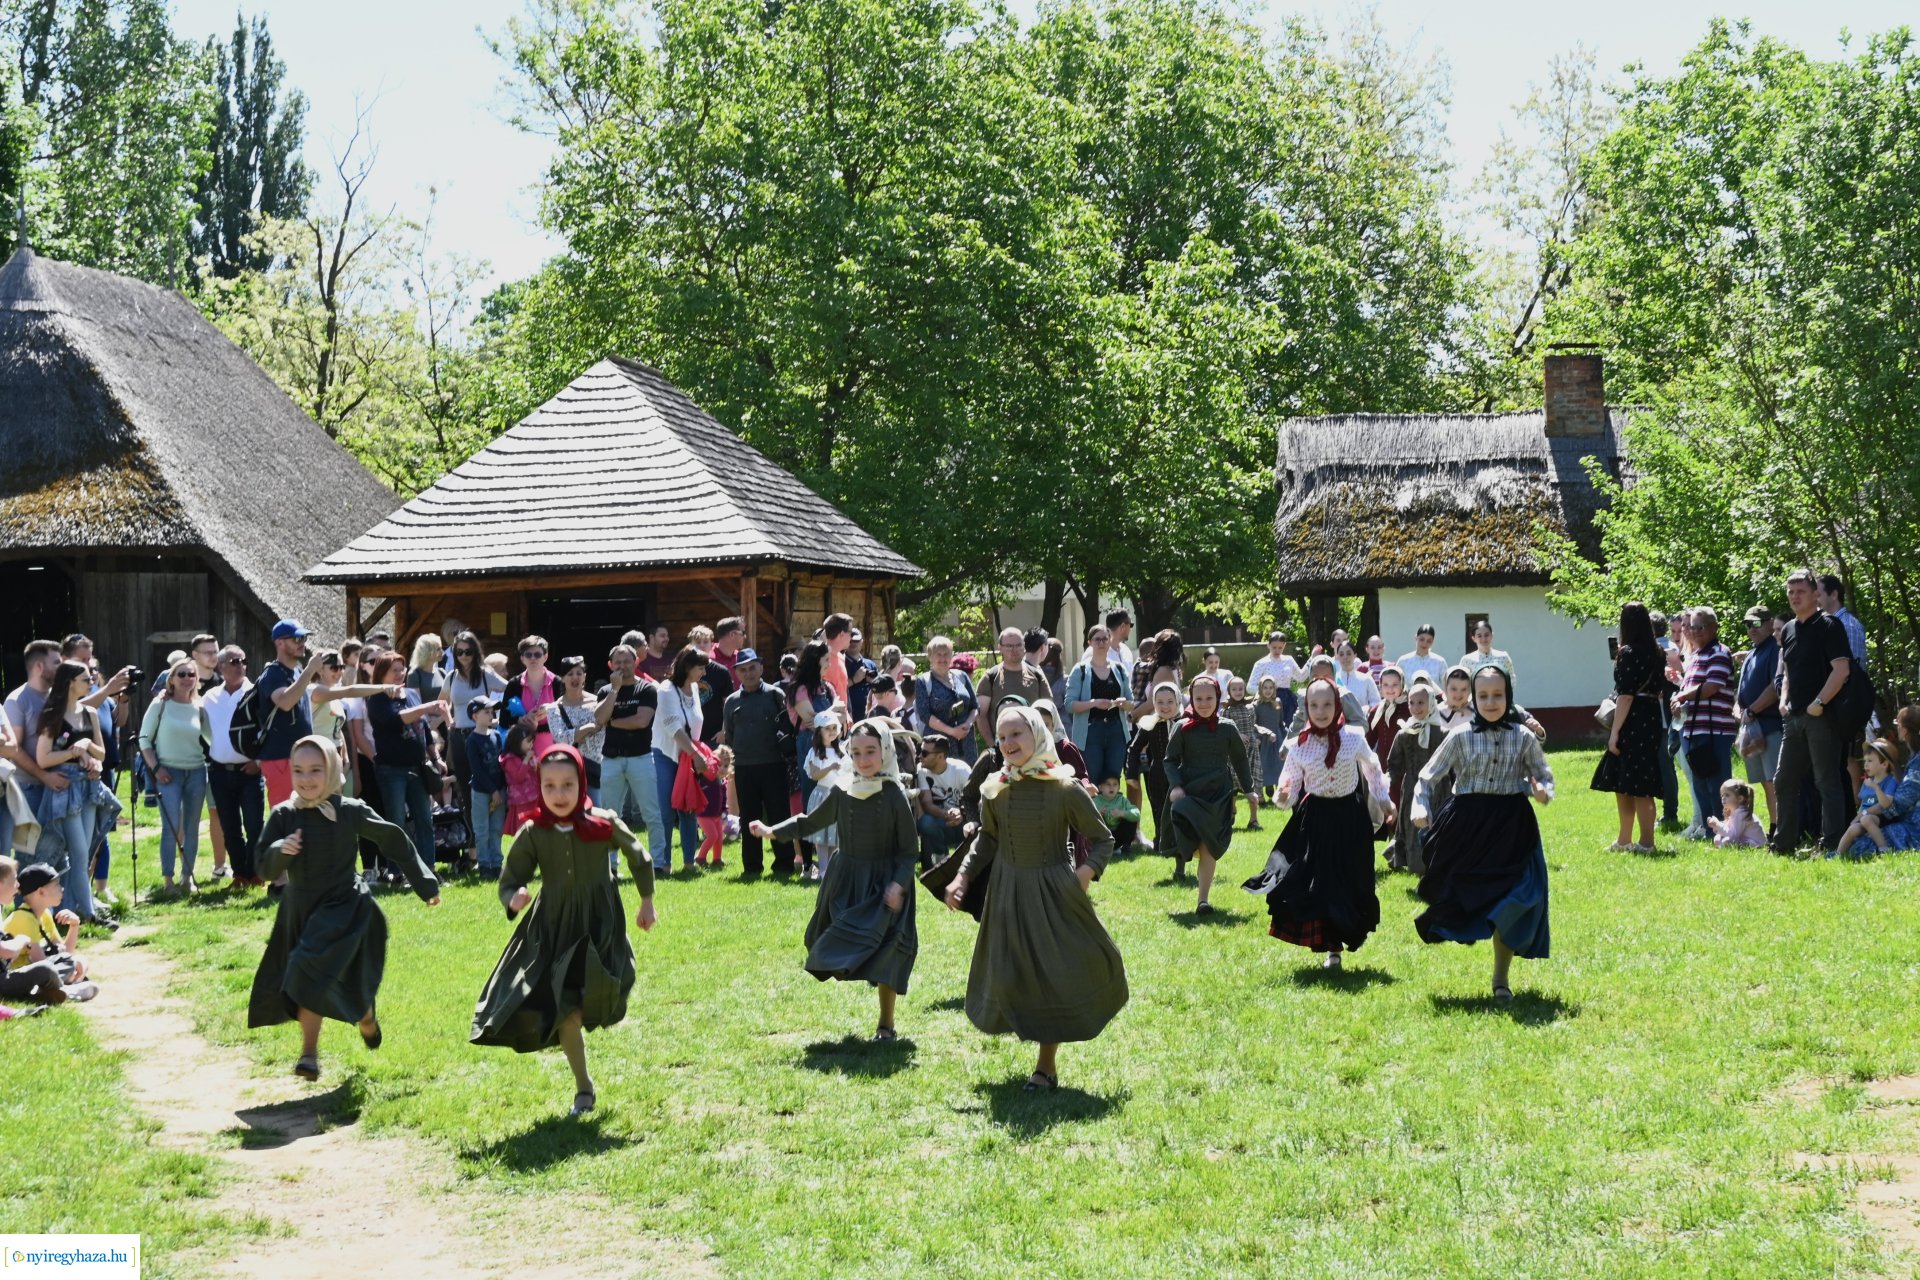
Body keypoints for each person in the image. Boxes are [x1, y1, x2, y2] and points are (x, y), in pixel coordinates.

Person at [944, 705, 1127, 1092]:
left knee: (1051, 974)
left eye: (1017, 734)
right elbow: (988, 839)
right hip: (1007, 892)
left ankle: (1045, 1066)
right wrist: (962, 876)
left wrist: (1082, 876)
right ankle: (1024, 1026)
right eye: (1002, 737)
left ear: (1038, 736)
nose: (1009, 743)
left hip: (1053, 893)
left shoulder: (1064, 787)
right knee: (1011, 970)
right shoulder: (996, 787)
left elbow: (1103, 839)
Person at [471, 746, 658, 1116]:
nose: (559, 794)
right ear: (539, 787)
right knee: (565, 1011)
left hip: (599, 925)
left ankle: (595, 1005)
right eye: (550, 785)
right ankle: (584, 1089)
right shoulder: (533, 832)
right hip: (554, 930)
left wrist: (647, 901)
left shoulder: (603, 821)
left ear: (582, 783)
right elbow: (510, 880)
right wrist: (513, 897)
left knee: (613, 984)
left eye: (568, 784)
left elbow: (639, 856)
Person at [251, 737, 440, 1081]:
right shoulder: (284, 815)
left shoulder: (349, 810)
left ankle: (365, 1016)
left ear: (333, 769)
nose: (306, 779)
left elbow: (392, 838)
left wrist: (424, 883)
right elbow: (263, 867)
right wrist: (281, 850)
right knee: (308, 974)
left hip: (344, 907)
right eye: (298, 771)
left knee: (324, 971)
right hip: (301, 909)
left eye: (315, 770)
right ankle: (309, 1054)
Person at [753, 720, 918, 1040]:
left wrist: (898, 884)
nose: (863, 759)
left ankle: (886, 1025)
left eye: (870, 751)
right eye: (856, 752)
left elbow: (909, 851)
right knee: (837, 941)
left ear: (885, 751)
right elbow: (809, 822)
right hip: (848, 880)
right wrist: (772, 831)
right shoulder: (843, 791)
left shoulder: (894, 794)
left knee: (889, 952)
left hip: (887, 886)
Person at [1411, 666, 1555, 1002]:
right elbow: (1427, 777)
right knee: (1468, 898)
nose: (1491, 702)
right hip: (1468, 827)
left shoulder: (1524, 737)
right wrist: (1420, 806)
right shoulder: (1460, 736)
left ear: (1509, 697)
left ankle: (1501, 979)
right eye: (1484, 695)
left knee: (1515, 900)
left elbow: (1544, 775)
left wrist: (1542, 790)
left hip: (1513, 827)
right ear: (1473, 699)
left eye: (1498, 695)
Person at [1243, 678, 1390, 968]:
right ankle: (1331, 948)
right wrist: (1283, 795)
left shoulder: (1353, 737)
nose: (1321, 711)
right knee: (1320, 881)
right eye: (1314, 705)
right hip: (1316, 820)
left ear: (1337, 705)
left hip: (1350, 818)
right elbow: (1289, 783)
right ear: (1306, 708)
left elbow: (1372, 767)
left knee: (1350, 879)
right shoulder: (1300, 744)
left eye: (1327, 704)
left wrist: (1384, 800)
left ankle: (1346, 931)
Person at [1771, 570, 1854, 853]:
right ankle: (1783, 845)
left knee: (1826, 781)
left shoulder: (1829, 625)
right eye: (1791, 592)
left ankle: (1832, 845)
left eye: (1801, 592)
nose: (1795, 597)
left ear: (1815, 594)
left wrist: (1819, 703)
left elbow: (1841, 670)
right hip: (1793, 718)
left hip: (1822, 717)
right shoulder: (1788, 629)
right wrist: (1783, 700)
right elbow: (1788, 672)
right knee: (1784, 780)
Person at [1162, 675, 1258, 911]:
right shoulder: (1182, 727)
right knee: (1188, 833)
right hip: (1189, 792)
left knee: (1208, 845)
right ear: (1191, 699)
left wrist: (1249, 789)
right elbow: (1170, 760)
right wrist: (1176, 786)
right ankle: (1180, 864)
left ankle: (1202, 900)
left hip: (1218, 794)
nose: (1204, 703)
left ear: (1218, 698)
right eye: (1198, 699)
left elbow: (1240, 760)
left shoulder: (1227, 727)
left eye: (1209, 698)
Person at [32, 659, 114, 924]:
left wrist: (87, 745)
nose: (91, 682)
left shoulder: (90, 713)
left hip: (88, 786)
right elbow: (43, 758)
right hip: (65, 788)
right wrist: (73, 753)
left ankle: (77, 910)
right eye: (86, 679)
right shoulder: (53, 715)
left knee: (85, 852)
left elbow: (102, 754)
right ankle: (87, 914)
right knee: (78, 852)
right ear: (70, 683)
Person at [366, 653, 449, 881]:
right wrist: (427, 707)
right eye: (394, 670)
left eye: (401, 669)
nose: (399, 674)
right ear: (381, 674)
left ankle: (428, 870)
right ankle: (397, 873)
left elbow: (425, 731)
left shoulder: (411, 694)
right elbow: (397, 719)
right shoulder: (377, 699)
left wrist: (435, 757)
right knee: (397, 822)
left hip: (418, 767)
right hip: (391, 770)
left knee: (424, 820)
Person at [1592, 602, 1666, 853]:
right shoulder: (1658, 652)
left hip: (1633, 719)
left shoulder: (1627, 652)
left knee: (1634, 782)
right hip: (1651, 716)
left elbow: (1625, 696)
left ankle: (1643, 842)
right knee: (1630, 779)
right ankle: (1629, 840)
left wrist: (1614, 733)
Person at [139, 658, 212, 895]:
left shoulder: (200, 707)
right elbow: (144, 740)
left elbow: (212, 739)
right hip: (168, 773)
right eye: (181, 674)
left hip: (197, 772)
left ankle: (187, 878)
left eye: (191, 674)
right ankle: (168, 881)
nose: (187, 679)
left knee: (191, 828)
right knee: (171, 827)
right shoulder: (160, 704)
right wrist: (156, 768)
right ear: (171, 679)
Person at [723, 650, 795, 875]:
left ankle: (784, 864)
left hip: (774, 764)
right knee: (749, 817)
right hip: (744, 767)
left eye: (752, 668)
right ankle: (752, 867)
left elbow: (787, 727)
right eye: (743, 670)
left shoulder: (776, 695)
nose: (748, 673)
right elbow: (730, 735)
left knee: (778, 814)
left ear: (761, 667)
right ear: (736, 673)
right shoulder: (731, 701)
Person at [201, 645, 267, 885]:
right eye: (235, 661)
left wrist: (258, 762)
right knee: (230, 827)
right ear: (221, 667)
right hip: (219, 771)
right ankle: (240, 874)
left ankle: (255, 872)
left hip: (250, 772)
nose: (241, 665)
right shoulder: (210, 697)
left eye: (243, 661)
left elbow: (268, 729)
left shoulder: (256, 693)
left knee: (254, 824)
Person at [1673, 608, 1736, 840]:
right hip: (1694, 729)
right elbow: (1688, 691)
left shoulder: (1719, 653)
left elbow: (1711, 686)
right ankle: (1711, 831)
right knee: (1700, 783)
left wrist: (1682, 697)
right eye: (1693, 627)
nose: (1696, 631)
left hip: (1715, 730)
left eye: (1701, 626)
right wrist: (1678, 702)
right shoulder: (1696, 655)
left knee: (1719, 785)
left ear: (1714, 627)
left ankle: (1727, 831)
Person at [0, 857, 94, 1005]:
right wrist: (21, 940)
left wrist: (74, 926)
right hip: (13, 974)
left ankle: (58, 988)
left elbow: (66, 952)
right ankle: (66, 990)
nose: (17, 886)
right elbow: (37, 960)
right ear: (41, 892)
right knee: (46, 969)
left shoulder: (44, 914)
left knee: (73, 960)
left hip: (11, 974)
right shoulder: (23, 918)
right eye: (56, 884)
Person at [254, 620, 328, 808]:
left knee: (307, 814)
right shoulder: (272, 673)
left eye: (303, 638)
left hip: (299, 758)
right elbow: (285, 702)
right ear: (279, 642)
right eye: (296, 639)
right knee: (285, 816)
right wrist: (310, 670)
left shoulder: (297, 671)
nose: (302, 643)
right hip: (280, 758)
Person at [650, 645, 710, 872]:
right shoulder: (666, 690)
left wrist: (694, 754)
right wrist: (696, 755)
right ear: (687, 667)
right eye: (700, 668)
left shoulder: (694, 687)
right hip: (666, 755)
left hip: (687, 757)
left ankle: (689, 863)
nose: (704, 672)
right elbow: (673, 728)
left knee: (688, 808)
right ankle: (663, 863)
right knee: (666, 811)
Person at [596, 640, 661, 847]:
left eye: (626, 662)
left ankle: (659, 861)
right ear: (610, 665)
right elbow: (600, 718)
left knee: (651, 813)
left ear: (636, 662)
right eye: (618, 662)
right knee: (609, 815)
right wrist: (614, 690)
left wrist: (614, 722)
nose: (622, 666)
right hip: (611, 759)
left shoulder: (647, 689)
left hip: (641, 757)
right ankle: (611, 862)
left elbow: (641, 721)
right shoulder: (605, 691)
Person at [1734, 607, 1784, 833]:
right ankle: (1774, 827)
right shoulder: (1752, 653)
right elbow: (1742, 690)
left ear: (1770, 622)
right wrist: (1739, 709)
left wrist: (1752, 710)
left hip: (1770, 726)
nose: (1751, 629)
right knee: (1765, 782)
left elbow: (1775, 686)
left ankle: (1781, 829)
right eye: (1748, 624)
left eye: (1756, 623)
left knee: (1775, 781)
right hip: (1752, 727)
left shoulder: (1774, 649)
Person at [1064, 625, 1132, 786]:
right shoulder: (1080, 670)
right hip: (1090, 732)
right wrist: (1093, 703)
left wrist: (1123, 703)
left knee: (1113, 781)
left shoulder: (1119, 669)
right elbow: (1069, 705)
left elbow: (1132, 704)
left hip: (1116, 731)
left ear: (1109, 641)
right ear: (1090, 642)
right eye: (1097, 639)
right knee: (1093, 780)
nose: (1101, 643)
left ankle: (1112, 805)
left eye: (1105, 639)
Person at [1386, 680, 1442, 873]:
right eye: (1412, 702)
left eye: (1421, 702)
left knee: (1437, 822)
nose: (1416, 707)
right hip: (1412, 787)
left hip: (1439, 787)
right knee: (1412, 826)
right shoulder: (1404, 734)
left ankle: (1438, 861)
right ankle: (1416, 863)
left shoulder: (1442, 733)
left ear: (1431, 703)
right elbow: (1394, 764)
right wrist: (1386, 784)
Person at [543, 655, 609, 805]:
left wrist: (577, 734)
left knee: (598, 811)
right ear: (562, 678)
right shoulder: (554, 708)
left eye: (579, 673)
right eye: (570, 674)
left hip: (597, 769)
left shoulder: (598, 703)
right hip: (569, 769)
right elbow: (561, 739)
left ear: (585, 676)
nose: (575, 677)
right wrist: (587, 728)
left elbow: (603, 731)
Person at [1126, 683, 1180, 861]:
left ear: (1177, 701)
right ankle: (1161, 843)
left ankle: (1179, 842)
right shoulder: (1149, 724)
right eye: (1160, 702)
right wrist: (1131, 775)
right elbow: (1134, 749)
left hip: (1181, 773)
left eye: (1170, 701)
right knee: (1159, 809)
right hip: (1157, 773)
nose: (1165, 706)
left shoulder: (1184, 723)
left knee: (1179, 808)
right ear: (1154, 704)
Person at [1839, 738, 1915, 858]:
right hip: (1867, 817)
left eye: (1870, 761)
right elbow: (1863, 804)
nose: (1865, 764)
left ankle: (1884, 849)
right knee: (1853, 828)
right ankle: (1838, 854)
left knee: (1866, 820)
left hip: (1883, 817)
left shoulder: (1890, 781)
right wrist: (1856, 818)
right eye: (1865, 761)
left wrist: (1876, 788)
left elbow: (1886, 804)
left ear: (1884, 764)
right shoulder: (1867, 782)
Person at [914, 637, 979, 766]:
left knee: (969, 776)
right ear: (930, 656)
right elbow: (925, 715)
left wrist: (968, 723)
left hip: (967, 743)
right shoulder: (923, 682)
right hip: (939, 746)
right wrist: (952, 731)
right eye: (939, 654)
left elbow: (975, 706)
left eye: (946, 654)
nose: (943, 658)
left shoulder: (962, 676)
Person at [976, 628, 1052, 735]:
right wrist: (991, 743)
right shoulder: (990, 677)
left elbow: (1049, 711)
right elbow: (981, 716)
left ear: (1024, 646)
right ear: (1000, 647)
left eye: (1018, 645)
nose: (1014, 650)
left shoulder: (1037, 675)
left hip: (1033, 742)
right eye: (1009, 646)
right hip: (1002, 742)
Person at [914, 734, 969, 869]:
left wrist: (961, 813)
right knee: (925, 822)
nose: (920, 756)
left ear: (940, 756)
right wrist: (946, 815)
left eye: (925, 753)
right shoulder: (922, 770)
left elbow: (974, 800)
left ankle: (964, 862)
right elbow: (927, 803)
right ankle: (940, 855)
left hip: (964, 820)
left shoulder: (961, 770)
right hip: (941, 821)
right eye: (920, 751)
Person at [467, 699, 507, 878]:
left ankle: (497, 864)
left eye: (492, 712)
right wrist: (493, 790)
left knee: (496, 828)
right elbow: (477, 770)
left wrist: (502, 788)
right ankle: (484, 865)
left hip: (499, 790)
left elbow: (502, 764)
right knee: (482, 829)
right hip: (482, 792)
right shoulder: (472, 740)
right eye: (487, 712)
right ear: (475, 716)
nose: (491, 715)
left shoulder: (496, 735)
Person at [504, 637, 559, 757]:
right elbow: (504, 720)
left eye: (537, 654)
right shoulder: (514, 684)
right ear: (522, 658)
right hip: (521, 750)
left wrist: (551, 710)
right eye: (528, 655)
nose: (533, 658)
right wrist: (521, 720)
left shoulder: (557, 683)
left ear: (545, 657)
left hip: (552, 749)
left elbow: (567, 716)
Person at [1247, 631, 1302, 728]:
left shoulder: (1289, 660)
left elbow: (1300, 677)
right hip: (1268, 701)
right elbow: (1250, 687)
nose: (1277, 650)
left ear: (1284, 646)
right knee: (1271, 728)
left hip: (1288, 700)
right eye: (1274, 647)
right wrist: (1266, 691)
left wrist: (1312, 659)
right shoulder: (1261, 663)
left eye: (1280, 648)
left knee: (1289, 727)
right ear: (1268, 645)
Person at [696, 746, 733, 868]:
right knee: (712, 836)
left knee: (719, 837)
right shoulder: (706, 779)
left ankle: (717, 859)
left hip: (716, 815)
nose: (722, 768)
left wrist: (724, 812)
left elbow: (723, 800)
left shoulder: (722, 782)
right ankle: (700, 858)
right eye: (719, 764)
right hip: (704, 814)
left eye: (726, 766)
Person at [1709, 780, 1768, 849]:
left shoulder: (1741, 814)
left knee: (1726, 841)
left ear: (1740, 798)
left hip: (1756, 843)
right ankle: (1721, 846)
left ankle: (1721, 847)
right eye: (1722, 795)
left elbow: (1732, 835)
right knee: (1718, 838)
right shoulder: (1735, 811)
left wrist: (1717, 824)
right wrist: (1716, 826)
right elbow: (1730, 829)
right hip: (1745, 838)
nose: (1723, 798)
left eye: (1727, 795)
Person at [1091, 777, 1140, 851]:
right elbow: (1085, 817)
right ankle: (1102, 848)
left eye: (1115, 784)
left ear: (1118, 788)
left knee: (1131, 818)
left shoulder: (1122, 800)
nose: (1112, 787)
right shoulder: (1095, 801)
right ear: (1100, 788)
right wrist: (1097, 814)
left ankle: (1125, 846)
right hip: (1103, 837)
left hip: (1119, 835)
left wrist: (1122, 813)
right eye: (1108, 784)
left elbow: (1137, 814)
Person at [1397, 624, 1447, 690]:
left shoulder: (1440, 662)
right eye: (1422, 639)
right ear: (1416, 637)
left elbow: (1446, 686)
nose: (1425, 643)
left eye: (1429, 641)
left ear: (1433, 641)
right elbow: (1397, 684)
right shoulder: (1403, 661)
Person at [1334, 643, 1380, 712]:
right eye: (1341, 654)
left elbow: (1377, 702)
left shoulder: (1366, 679)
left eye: (1349, 654)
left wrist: (1365, 709)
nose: (1345, 657)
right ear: (1337, 657)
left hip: (1362, 718)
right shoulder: (1333, 679)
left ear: (1355, 655)